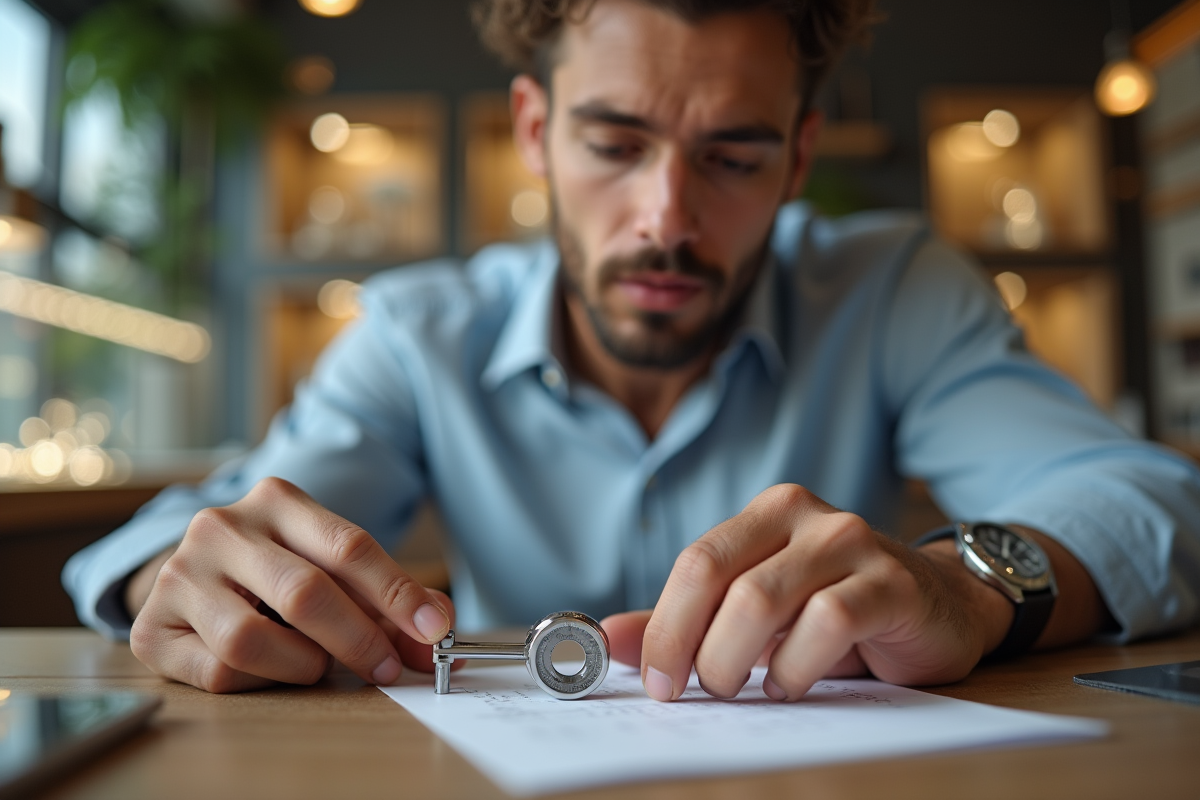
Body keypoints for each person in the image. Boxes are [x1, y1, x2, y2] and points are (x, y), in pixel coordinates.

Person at [65, 0, 1200, 702]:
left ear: (803, 154)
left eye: (735, 157)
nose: (664, 216)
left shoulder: (890, 289)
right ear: (534, 132)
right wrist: (180, 583)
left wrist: (971, 584)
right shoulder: (418, 333)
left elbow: (1151, 497)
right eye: (614, 143)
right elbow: (186, 536)